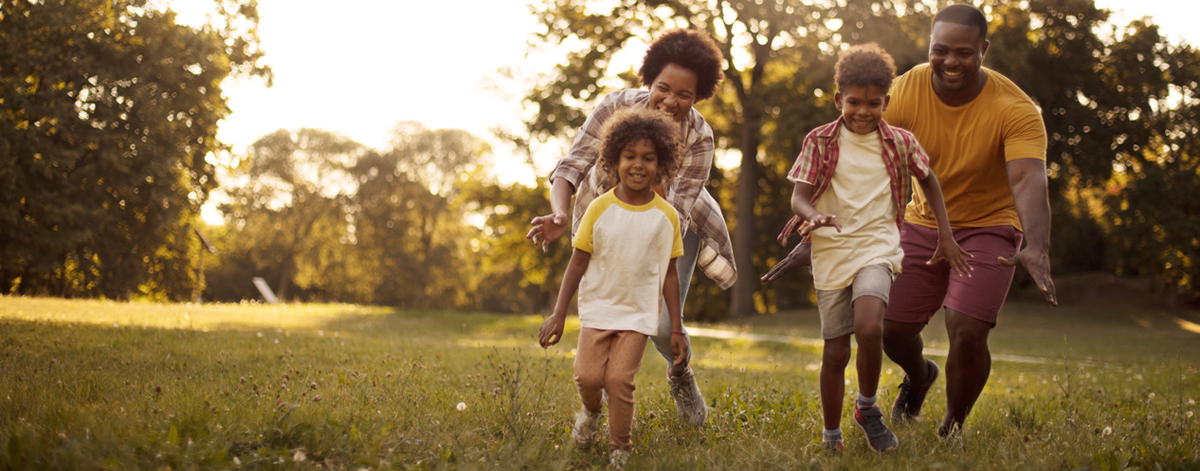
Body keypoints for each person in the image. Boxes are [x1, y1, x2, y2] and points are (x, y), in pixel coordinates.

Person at [767, 4, 1058, 438]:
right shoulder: (903, 90)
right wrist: (820, 231)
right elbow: (852, 159)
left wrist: (1036, 244)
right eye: (940, 50)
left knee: (967, 330)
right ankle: (920, 377)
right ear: (930, 47)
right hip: (917, 222)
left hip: (988, 225)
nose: (950, 61)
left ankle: (951, 428)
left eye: (964, 52)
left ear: (984, 49)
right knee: (889, 329)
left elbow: (1027, 175)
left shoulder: (1014, 108)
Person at [526, 29, 736, 427]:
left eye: (685, 95)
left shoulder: (700, 138)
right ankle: (604, 394)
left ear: (699, 96)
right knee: (608, 308)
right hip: (606, 219)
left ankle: (680, 374)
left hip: (670, 222)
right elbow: (571, 166)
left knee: (659, 324)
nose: (671, 101)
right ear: (649, 80)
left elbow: (672, 213)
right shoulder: (615, 107)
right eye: (663, 88)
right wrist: (558, 214)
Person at [780, 43, 971, 454]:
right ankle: (833, 436)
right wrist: (812, 215)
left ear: (886, 101)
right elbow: (799, 196)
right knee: (835, 352)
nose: (863, 111)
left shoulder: (901, 142)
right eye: (854, 102)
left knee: (869, 328)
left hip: (878, 247)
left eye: (873, 103)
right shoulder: (820, 140)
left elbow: (930, 180)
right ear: (838, 100)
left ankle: (867, 407)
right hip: (831, 251)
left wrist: (945, 233)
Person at [538, 107, 689, 468]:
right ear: (614, 159)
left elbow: (670, 274)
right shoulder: (598, 208)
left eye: (649, 158)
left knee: (620, 380)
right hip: (598, 310)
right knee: (589, 378)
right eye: (630, 156)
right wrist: (559, 314)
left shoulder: (667, 216)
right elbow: (577, 263)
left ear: (661, 163)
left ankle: (620, 449)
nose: (639, 165)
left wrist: (678, 326)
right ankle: (591, 413)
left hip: (637, 314)